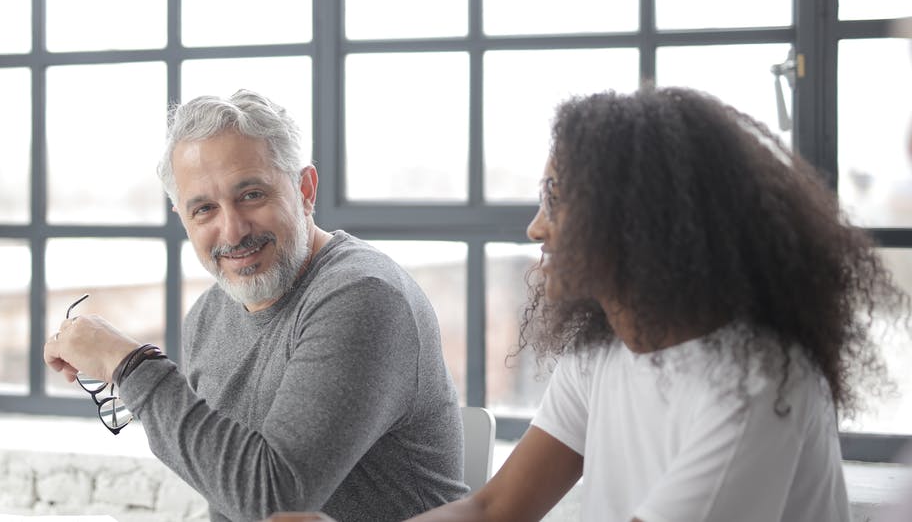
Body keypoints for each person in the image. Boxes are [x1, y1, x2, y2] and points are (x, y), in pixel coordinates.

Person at [270, 86, 908, 522]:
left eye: (554, 197)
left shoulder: (760, 384)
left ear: (634, 220)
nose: (535, 228)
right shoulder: (604, 347)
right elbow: (496, 511)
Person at [44, 89, 468, 522]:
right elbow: (229, 500)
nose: (232, 232)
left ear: (305, 189)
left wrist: (131, 365)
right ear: (183, 219)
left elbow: (275, 504)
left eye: (251, 195)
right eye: (205, 209)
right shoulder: (208, 317)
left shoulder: (365, 297)